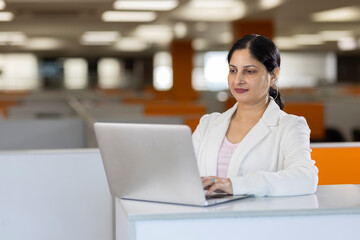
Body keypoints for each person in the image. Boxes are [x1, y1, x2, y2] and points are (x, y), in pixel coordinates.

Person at [192, 34, 318, 197]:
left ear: (273, 75)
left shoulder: (290, 126)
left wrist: (235, 185)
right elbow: (182, 174)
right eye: (233, 70)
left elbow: (305, 178)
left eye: (249, 71)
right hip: (203, 220)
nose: (238, 80)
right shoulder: (207, 124)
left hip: (256, 221)